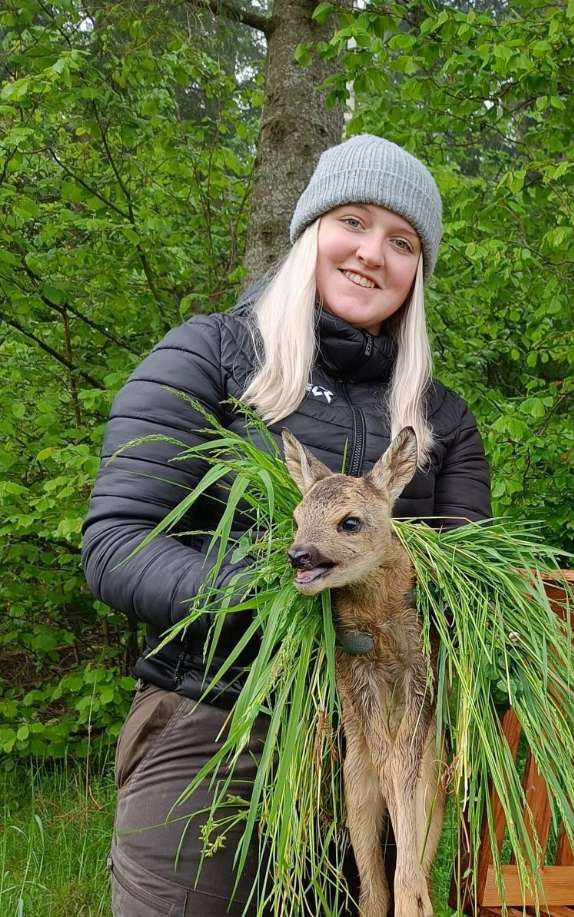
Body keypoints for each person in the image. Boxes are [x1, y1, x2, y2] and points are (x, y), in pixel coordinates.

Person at [82, 134, 491, 916]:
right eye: (353, 221)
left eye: (402, 242)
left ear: (419, 272)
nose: (373, 253)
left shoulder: (440, 419)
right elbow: (115, 546)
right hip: (217, 713)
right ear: (310, 231)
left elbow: (461, 586)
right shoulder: (209, 356)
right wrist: (275, 589)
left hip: (376, 727)